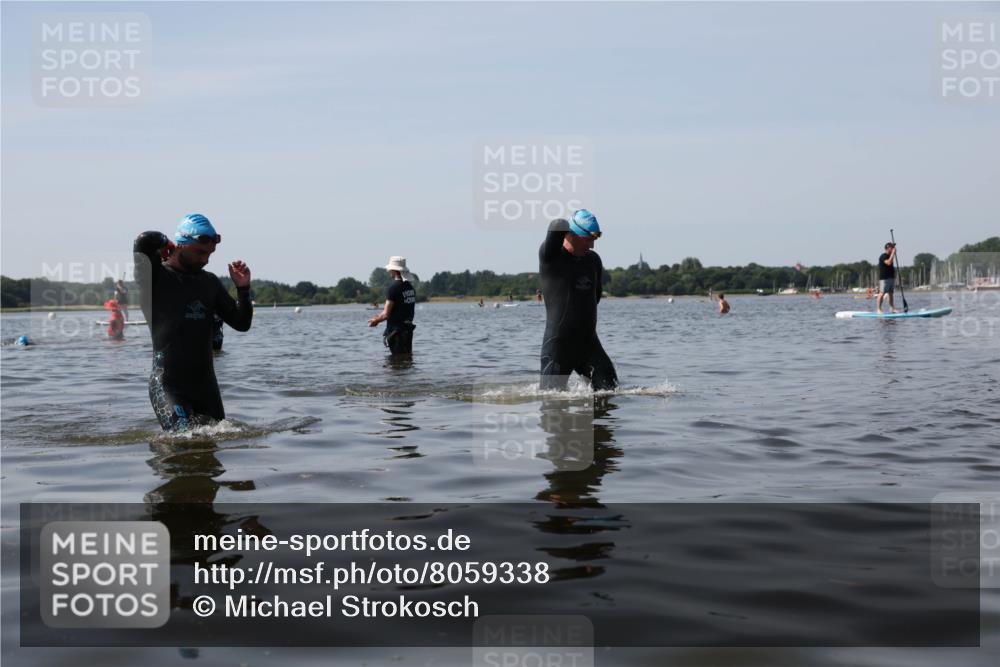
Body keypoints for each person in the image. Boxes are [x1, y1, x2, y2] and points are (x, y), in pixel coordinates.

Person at [133, 214, 253, 431]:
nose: (206, 259)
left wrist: (243, 290)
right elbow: (143, 241)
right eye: (200, 252)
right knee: (182, 440)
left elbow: (241, 323)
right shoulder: (154, 278)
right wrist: (165, 242)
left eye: (209, 254)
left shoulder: (209, 282)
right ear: (180, 245)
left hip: (206, 388)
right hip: (168, 386)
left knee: (214, 451)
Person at [538, 209, 618, 391]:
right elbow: (557, 225)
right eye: (588, 239)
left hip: (588, 344)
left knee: (610, 394)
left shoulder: (593, 261)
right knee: (552, 403)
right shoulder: (551, 257)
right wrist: (573, 223)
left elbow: (594, 298)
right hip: (559, 346)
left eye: (594, 241)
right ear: (571, 234)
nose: (591, 246)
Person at [368, 256, 416, 355]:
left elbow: (386, 314)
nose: (389, 270)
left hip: (397, 333)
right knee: (407, 359)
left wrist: (376, 321)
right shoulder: (410, 287)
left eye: (390, 269)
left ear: (394, 270)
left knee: (396, 364)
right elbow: (397, 308)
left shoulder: (393, 288)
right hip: (408, 331)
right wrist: (379, 317)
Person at [876, 242, 899, 314]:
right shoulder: (883, 256)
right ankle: (878, 309)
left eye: (893, 247)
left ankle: (892, 308)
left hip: (891, 277)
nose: (893, 249)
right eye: (892, 247)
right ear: (888, 248)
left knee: (891, 293)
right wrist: (893, 254)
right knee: (882, 293)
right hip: (884, 278)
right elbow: (888, 262)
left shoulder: (890, 255)